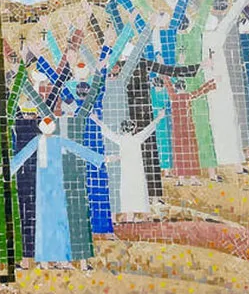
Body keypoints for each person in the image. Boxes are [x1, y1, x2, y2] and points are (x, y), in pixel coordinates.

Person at [11, 116, 107, 264]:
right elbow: (21, 157)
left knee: (58, 219)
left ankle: (60, 258)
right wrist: (6, 170)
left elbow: (78, 149)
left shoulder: (56, 140)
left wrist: (101, 159)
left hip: (56, 184)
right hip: (43, 186)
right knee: (45, 220)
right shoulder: (38, 141)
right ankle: (45, 260)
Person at [93, 112, 167, 221]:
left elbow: (106, 131)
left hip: (126, 172)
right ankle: (143, 217)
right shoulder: (137, 138)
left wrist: (96, 120)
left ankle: (130, 217)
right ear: (133, 129)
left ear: (122, 129)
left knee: (127, 192)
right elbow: (150, 128)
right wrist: (160, 116)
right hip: (137, 170)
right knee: (139, 191)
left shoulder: (120, 139)